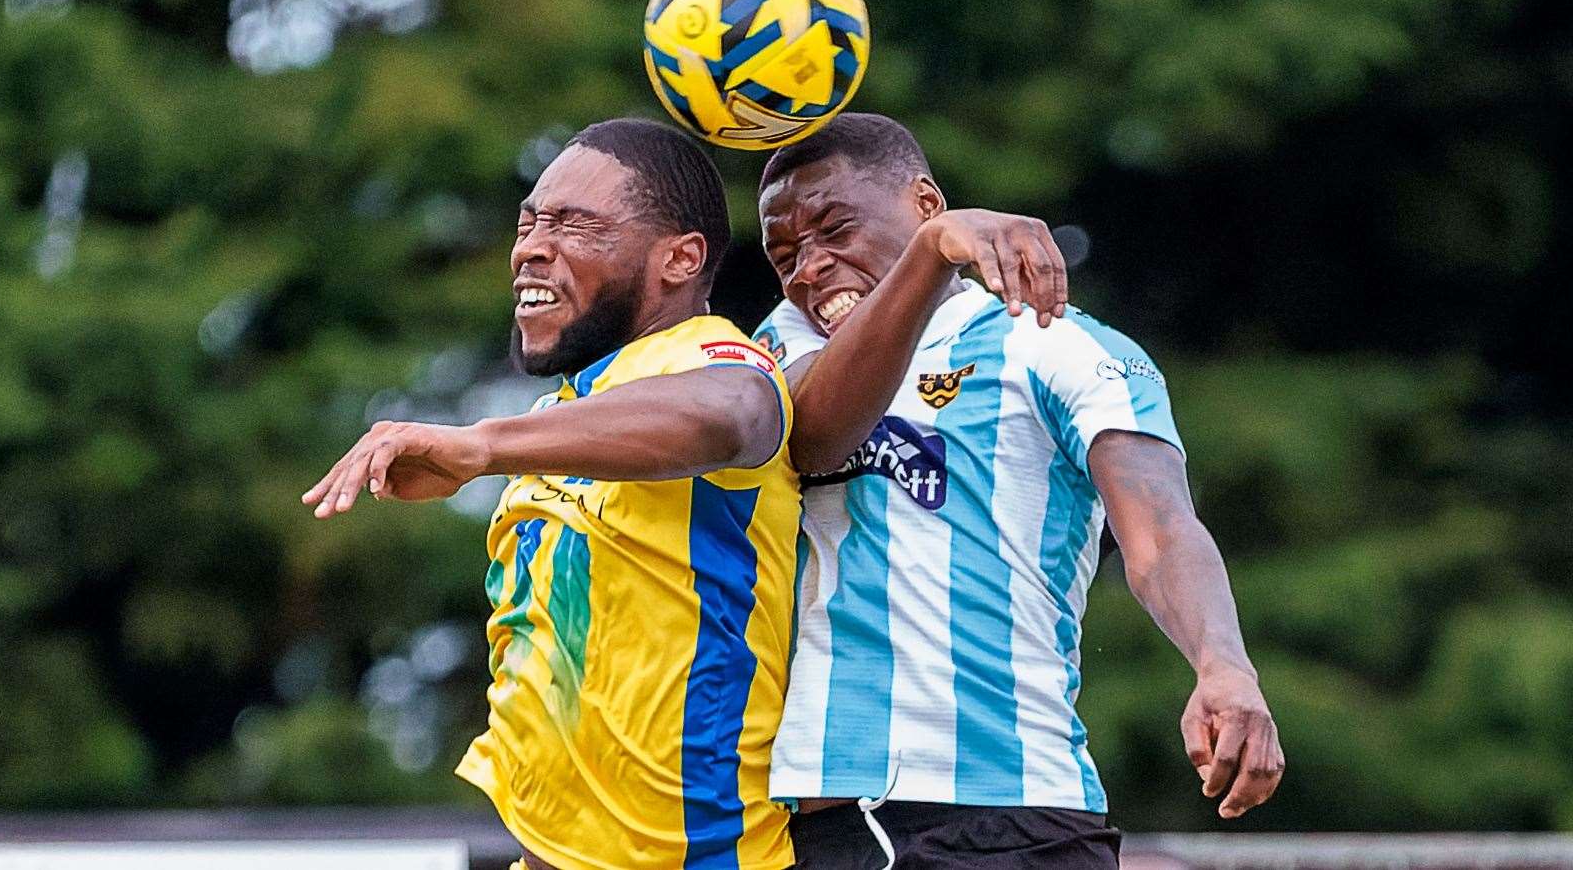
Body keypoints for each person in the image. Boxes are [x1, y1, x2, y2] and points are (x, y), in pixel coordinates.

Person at [301, 116, 1070, 870]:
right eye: (529, 222)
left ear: (679, 259)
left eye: (574, 225)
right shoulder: (562, 418)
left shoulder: (716, 358)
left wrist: (479, 447)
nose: (532, 248)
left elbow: (736, 413)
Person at [751, 113, 1285, 869]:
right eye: (784, 255)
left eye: (834, 231)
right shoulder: (774, 364)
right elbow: (813, 433)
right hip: (810, 824)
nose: (809, 268)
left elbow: (1162, 529)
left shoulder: (1055, 342)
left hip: (1008, 817)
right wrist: (932, 254)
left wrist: (1224, 665)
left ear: (927, 205)